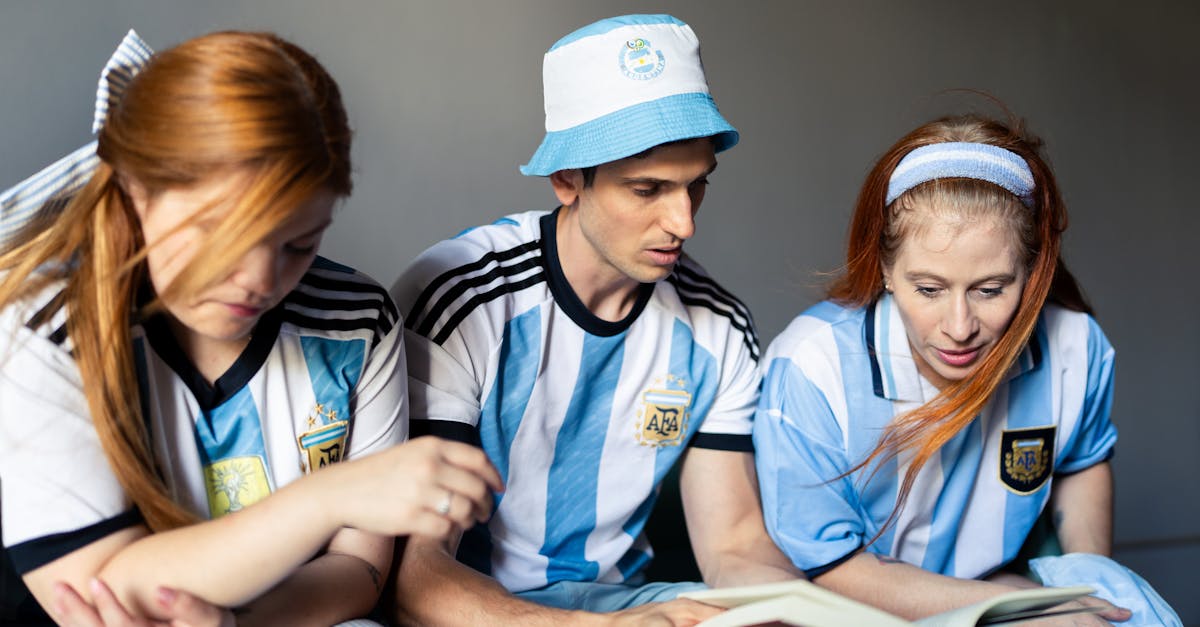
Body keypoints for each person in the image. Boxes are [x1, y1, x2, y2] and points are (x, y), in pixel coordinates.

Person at [0, 30, 501, 626]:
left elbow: (361, 571)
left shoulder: (360, 321)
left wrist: (239, 625)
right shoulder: (42, 329)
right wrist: (334, 494)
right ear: (137, 190)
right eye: (223, 236)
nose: (259, 280)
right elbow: (100, 592)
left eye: (298, 244)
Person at [388, 13, 799, 626]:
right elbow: (416, 579)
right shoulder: (462, 298)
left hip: (629, 606)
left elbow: (735, 547)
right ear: (567, 179)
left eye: (696, 186)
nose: (683, 223)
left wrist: (801, 610)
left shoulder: (719, 326)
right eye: (646, 189)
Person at [752, 113, 1133, 624]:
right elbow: (833, 567)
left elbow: (1081, 464)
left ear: (1033, 270)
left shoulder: (1075, 346)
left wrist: (1088, 590)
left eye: (990, 289)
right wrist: (1019, 608)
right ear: (885, 268)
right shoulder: (810, 366)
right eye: (929, 289)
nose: (959, 326)